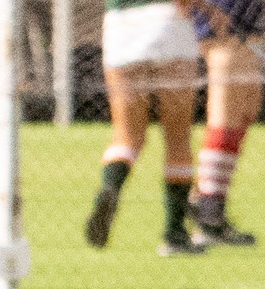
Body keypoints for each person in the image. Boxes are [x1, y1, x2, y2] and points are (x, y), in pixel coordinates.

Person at [87, 0, 205, 255]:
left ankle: (110, 188)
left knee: (126, 136)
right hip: (168, 20)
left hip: (121, 25)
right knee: (177, 138)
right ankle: (175, 234)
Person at [189, 0, 261, 245]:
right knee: (226, 116)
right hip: (224, 24)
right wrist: (209, 10)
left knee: (244, 114)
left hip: (248, 24)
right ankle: (207, 211)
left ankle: (210, 205)